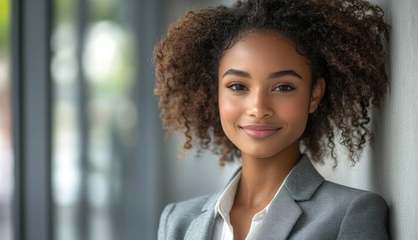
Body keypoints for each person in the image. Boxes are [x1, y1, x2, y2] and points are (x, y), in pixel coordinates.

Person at [153, 0, 390, 239]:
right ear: (216, 93)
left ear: (314, 95)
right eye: (237, 86)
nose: (258, 108)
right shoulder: (177, 221)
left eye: (283, 87)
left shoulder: (351, 214)